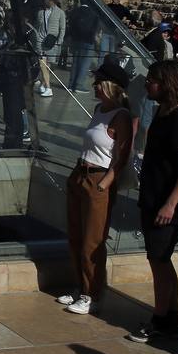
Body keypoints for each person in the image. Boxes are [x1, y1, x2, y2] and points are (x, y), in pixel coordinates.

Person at [129, 60, 178, 344]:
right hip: (154, 197)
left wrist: (171, 203)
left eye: (153, 80)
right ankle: (170, 318)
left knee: (159, 260)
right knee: (161, 260)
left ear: (167, 82)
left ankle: (160, 320)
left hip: (167, 205)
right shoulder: (162, 111)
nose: (148, 84)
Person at [58, 57, 133, 315]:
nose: (94, 85)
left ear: (111, 85)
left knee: (93, 239)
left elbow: (121, 157)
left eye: (99, 82)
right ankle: (80, 286)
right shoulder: (98, 110)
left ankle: (92, 293)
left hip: (98, 179)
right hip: (81, 173)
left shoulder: (121, 116)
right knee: (76, 235)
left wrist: (104, 185)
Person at [33, 0, 65, 97]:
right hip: (40, 41)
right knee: (42, 64)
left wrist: (59, 42)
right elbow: (37, 27)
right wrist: (37, 38)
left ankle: (43, 84)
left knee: (49, 66)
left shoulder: (60, 12)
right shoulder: (40, 12)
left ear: (51, 0)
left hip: (52, 42)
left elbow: (62, 28)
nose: (44, 1)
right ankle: (48, 88)